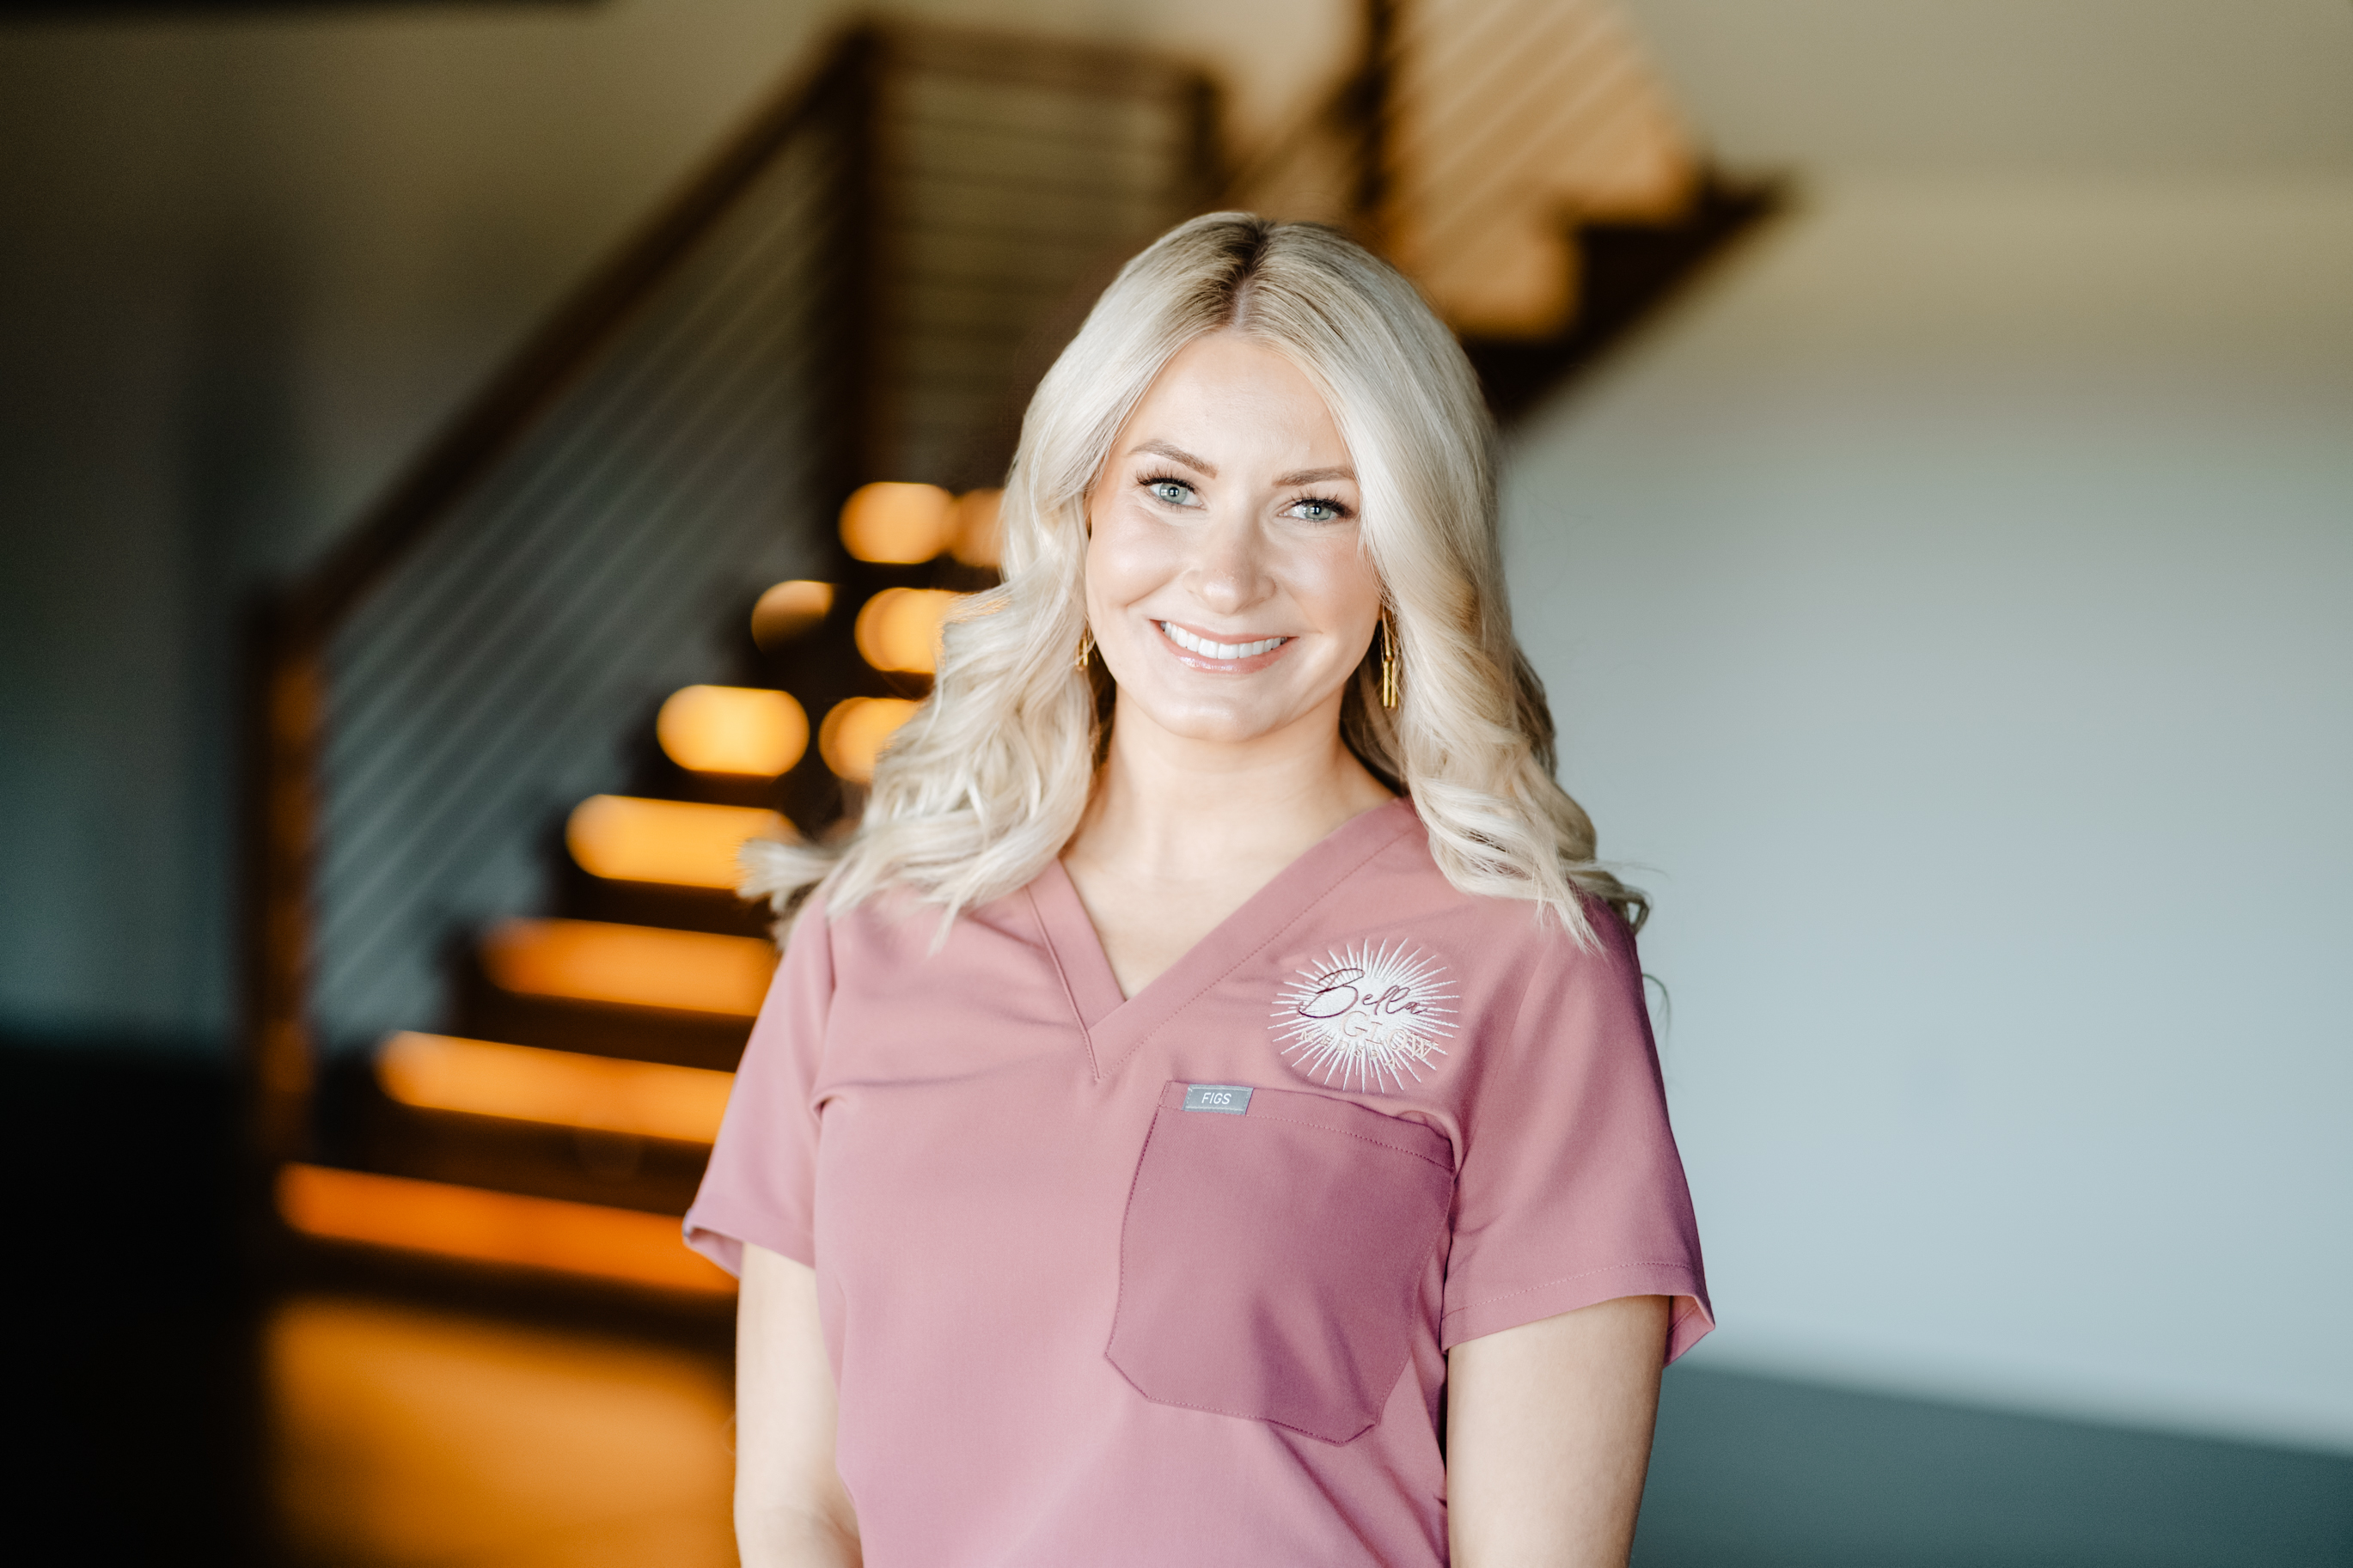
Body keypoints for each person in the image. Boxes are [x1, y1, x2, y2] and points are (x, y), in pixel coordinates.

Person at [684, 213, 1710, 1567]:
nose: (1223, 577)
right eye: (1171, 486)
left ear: (1402, 557)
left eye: (1317, 504)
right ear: (1080, 506)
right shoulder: (870, 933)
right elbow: (795, 1505)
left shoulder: (1524, 961)